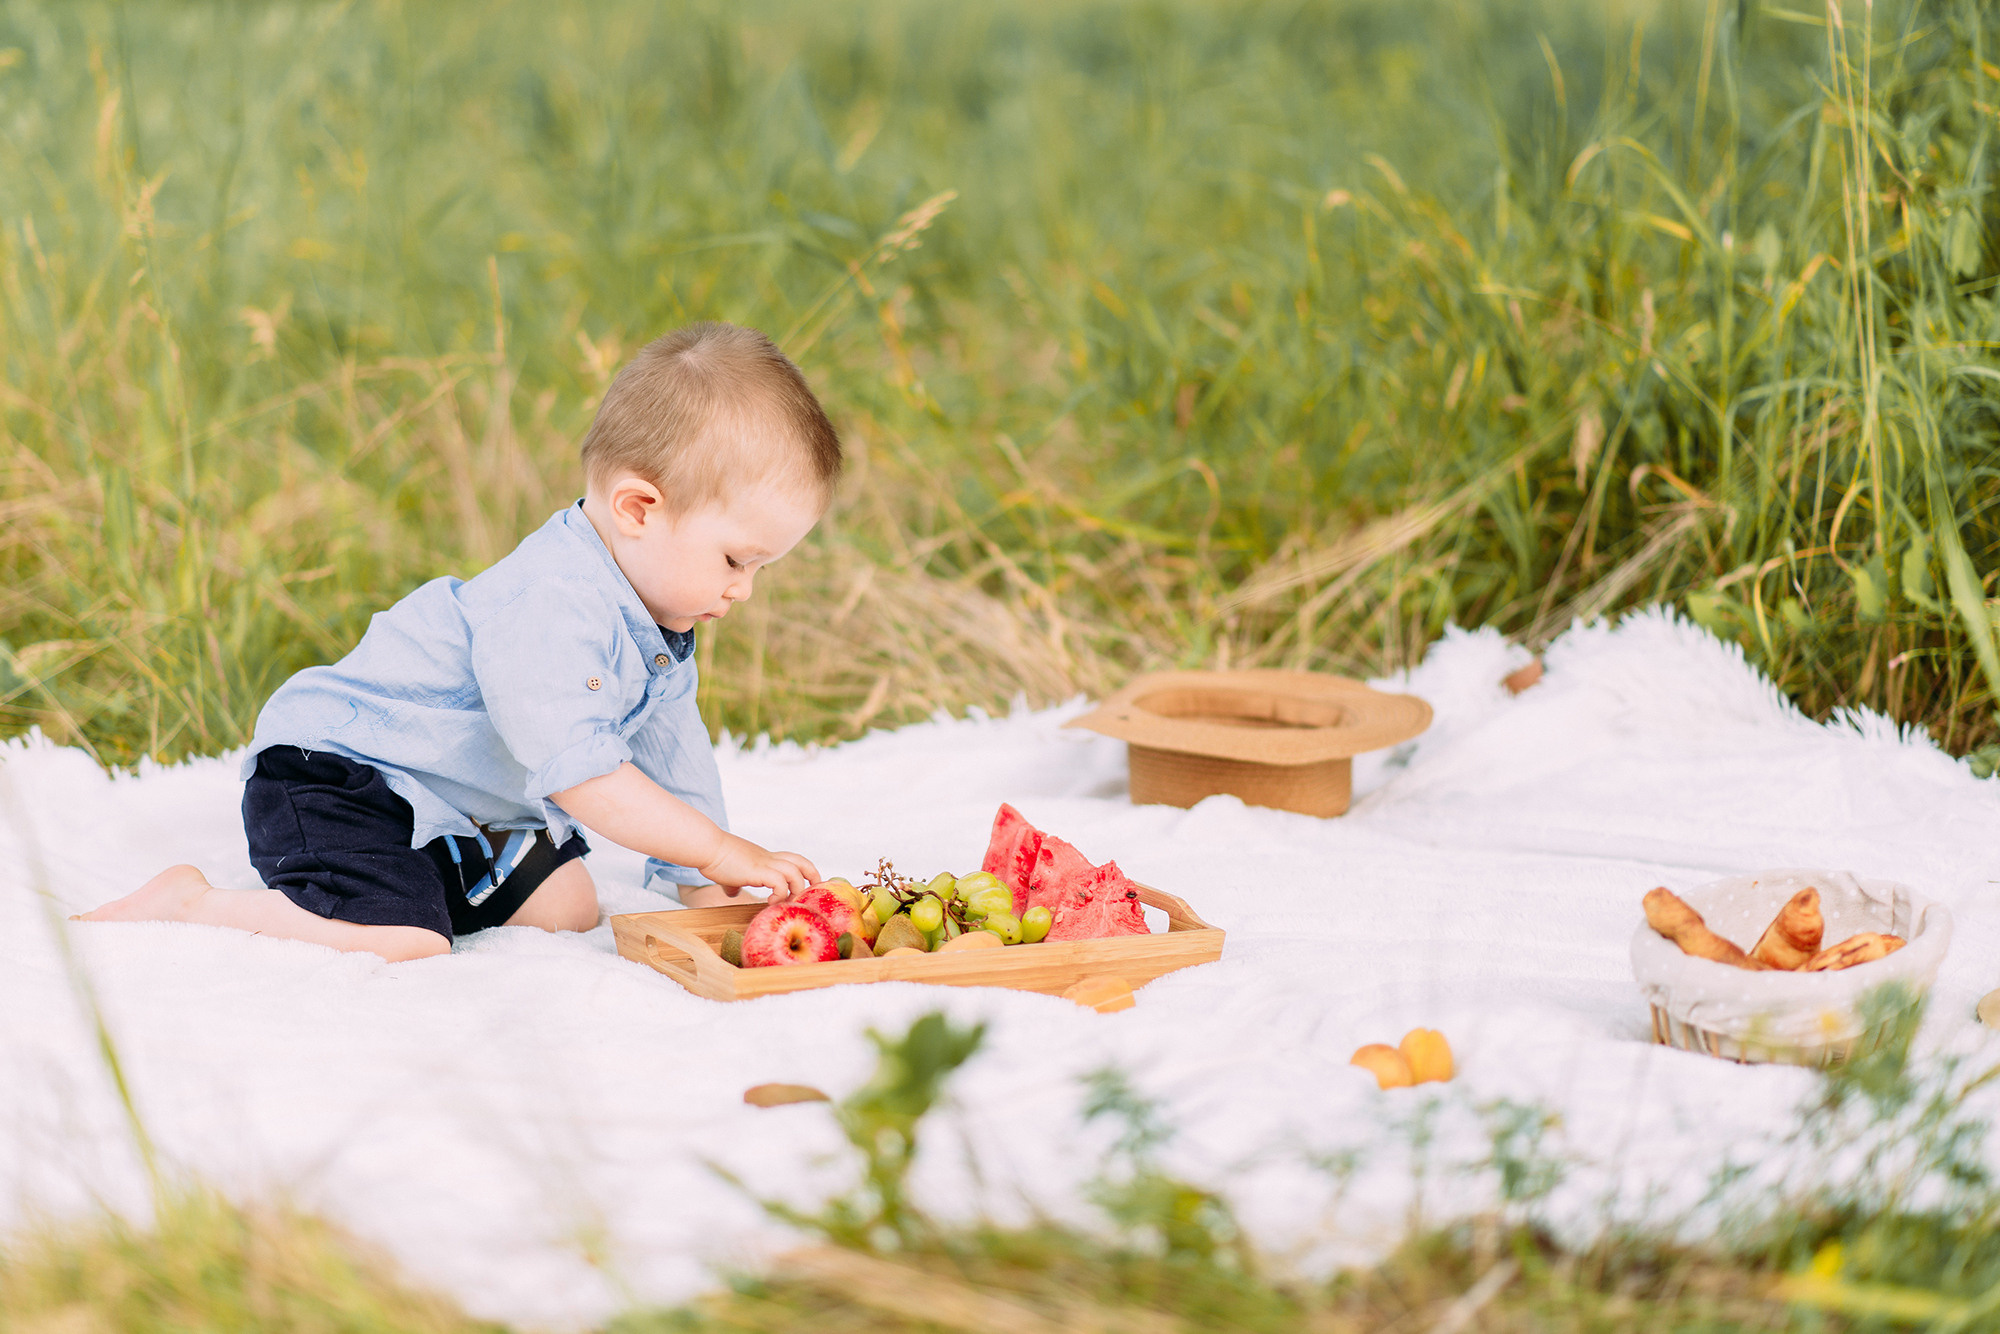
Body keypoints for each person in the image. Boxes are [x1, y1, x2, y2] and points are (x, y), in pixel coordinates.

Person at [78, 322, 832, 961]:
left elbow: (676, 757)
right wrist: (718, 850)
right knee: (408, 940)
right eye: (736, 561)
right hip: (341, 775)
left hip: (451, 800)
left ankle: (414, 876)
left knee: (568, 906)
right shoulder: (550, 603)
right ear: (638, 508)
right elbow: (587, 777)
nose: (743, 590)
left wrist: (706, 882)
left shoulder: (656, 624)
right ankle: (193, 904)